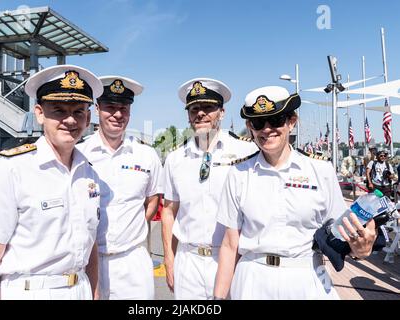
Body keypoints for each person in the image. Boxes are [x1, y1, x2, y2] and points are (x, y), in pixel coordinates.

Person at [213, 86, 377, 300]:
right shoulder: (238, 173)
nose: (267, 129)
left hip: (306, 276)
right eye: (258, 123)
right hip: (252, 279)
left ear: (291, 121)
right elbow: (229, 244)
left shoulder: (321, 170)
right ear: (249, 127)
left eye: (276, 120)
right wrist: (218, 298)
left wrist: (360, 250)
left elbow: (341, 233)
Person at [0, 65, 103, 300]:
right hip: (30, 291)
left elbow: (91, 250)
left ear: (88, 118)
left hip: (81, 289)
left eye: (78, 111)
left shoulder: (89, 175)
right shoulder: (11, 169)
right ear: (39, 113)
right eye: (58, 110)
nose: (70, 120)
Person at [161, 78, 259, 299]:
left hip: (234, 259)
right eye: (194, 108)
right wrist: (169, 258)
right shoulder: (176, 158)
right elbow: (168, 211)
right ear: (188, 114)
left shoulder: (247, 152)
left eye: (208, 107)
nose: (201, 113)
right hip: (188, 261)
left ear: (222, 112)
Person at [77, 75, 163, 300]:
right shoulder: (79, 154)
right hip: (87, 260)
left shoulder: (146, 155)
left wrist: (131, 227)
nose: (117, 114)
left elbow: (152, 199)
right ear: (97, 109)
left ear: (130, 112)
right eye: (110, 107)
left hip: (132, 262)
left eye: (123, 108)